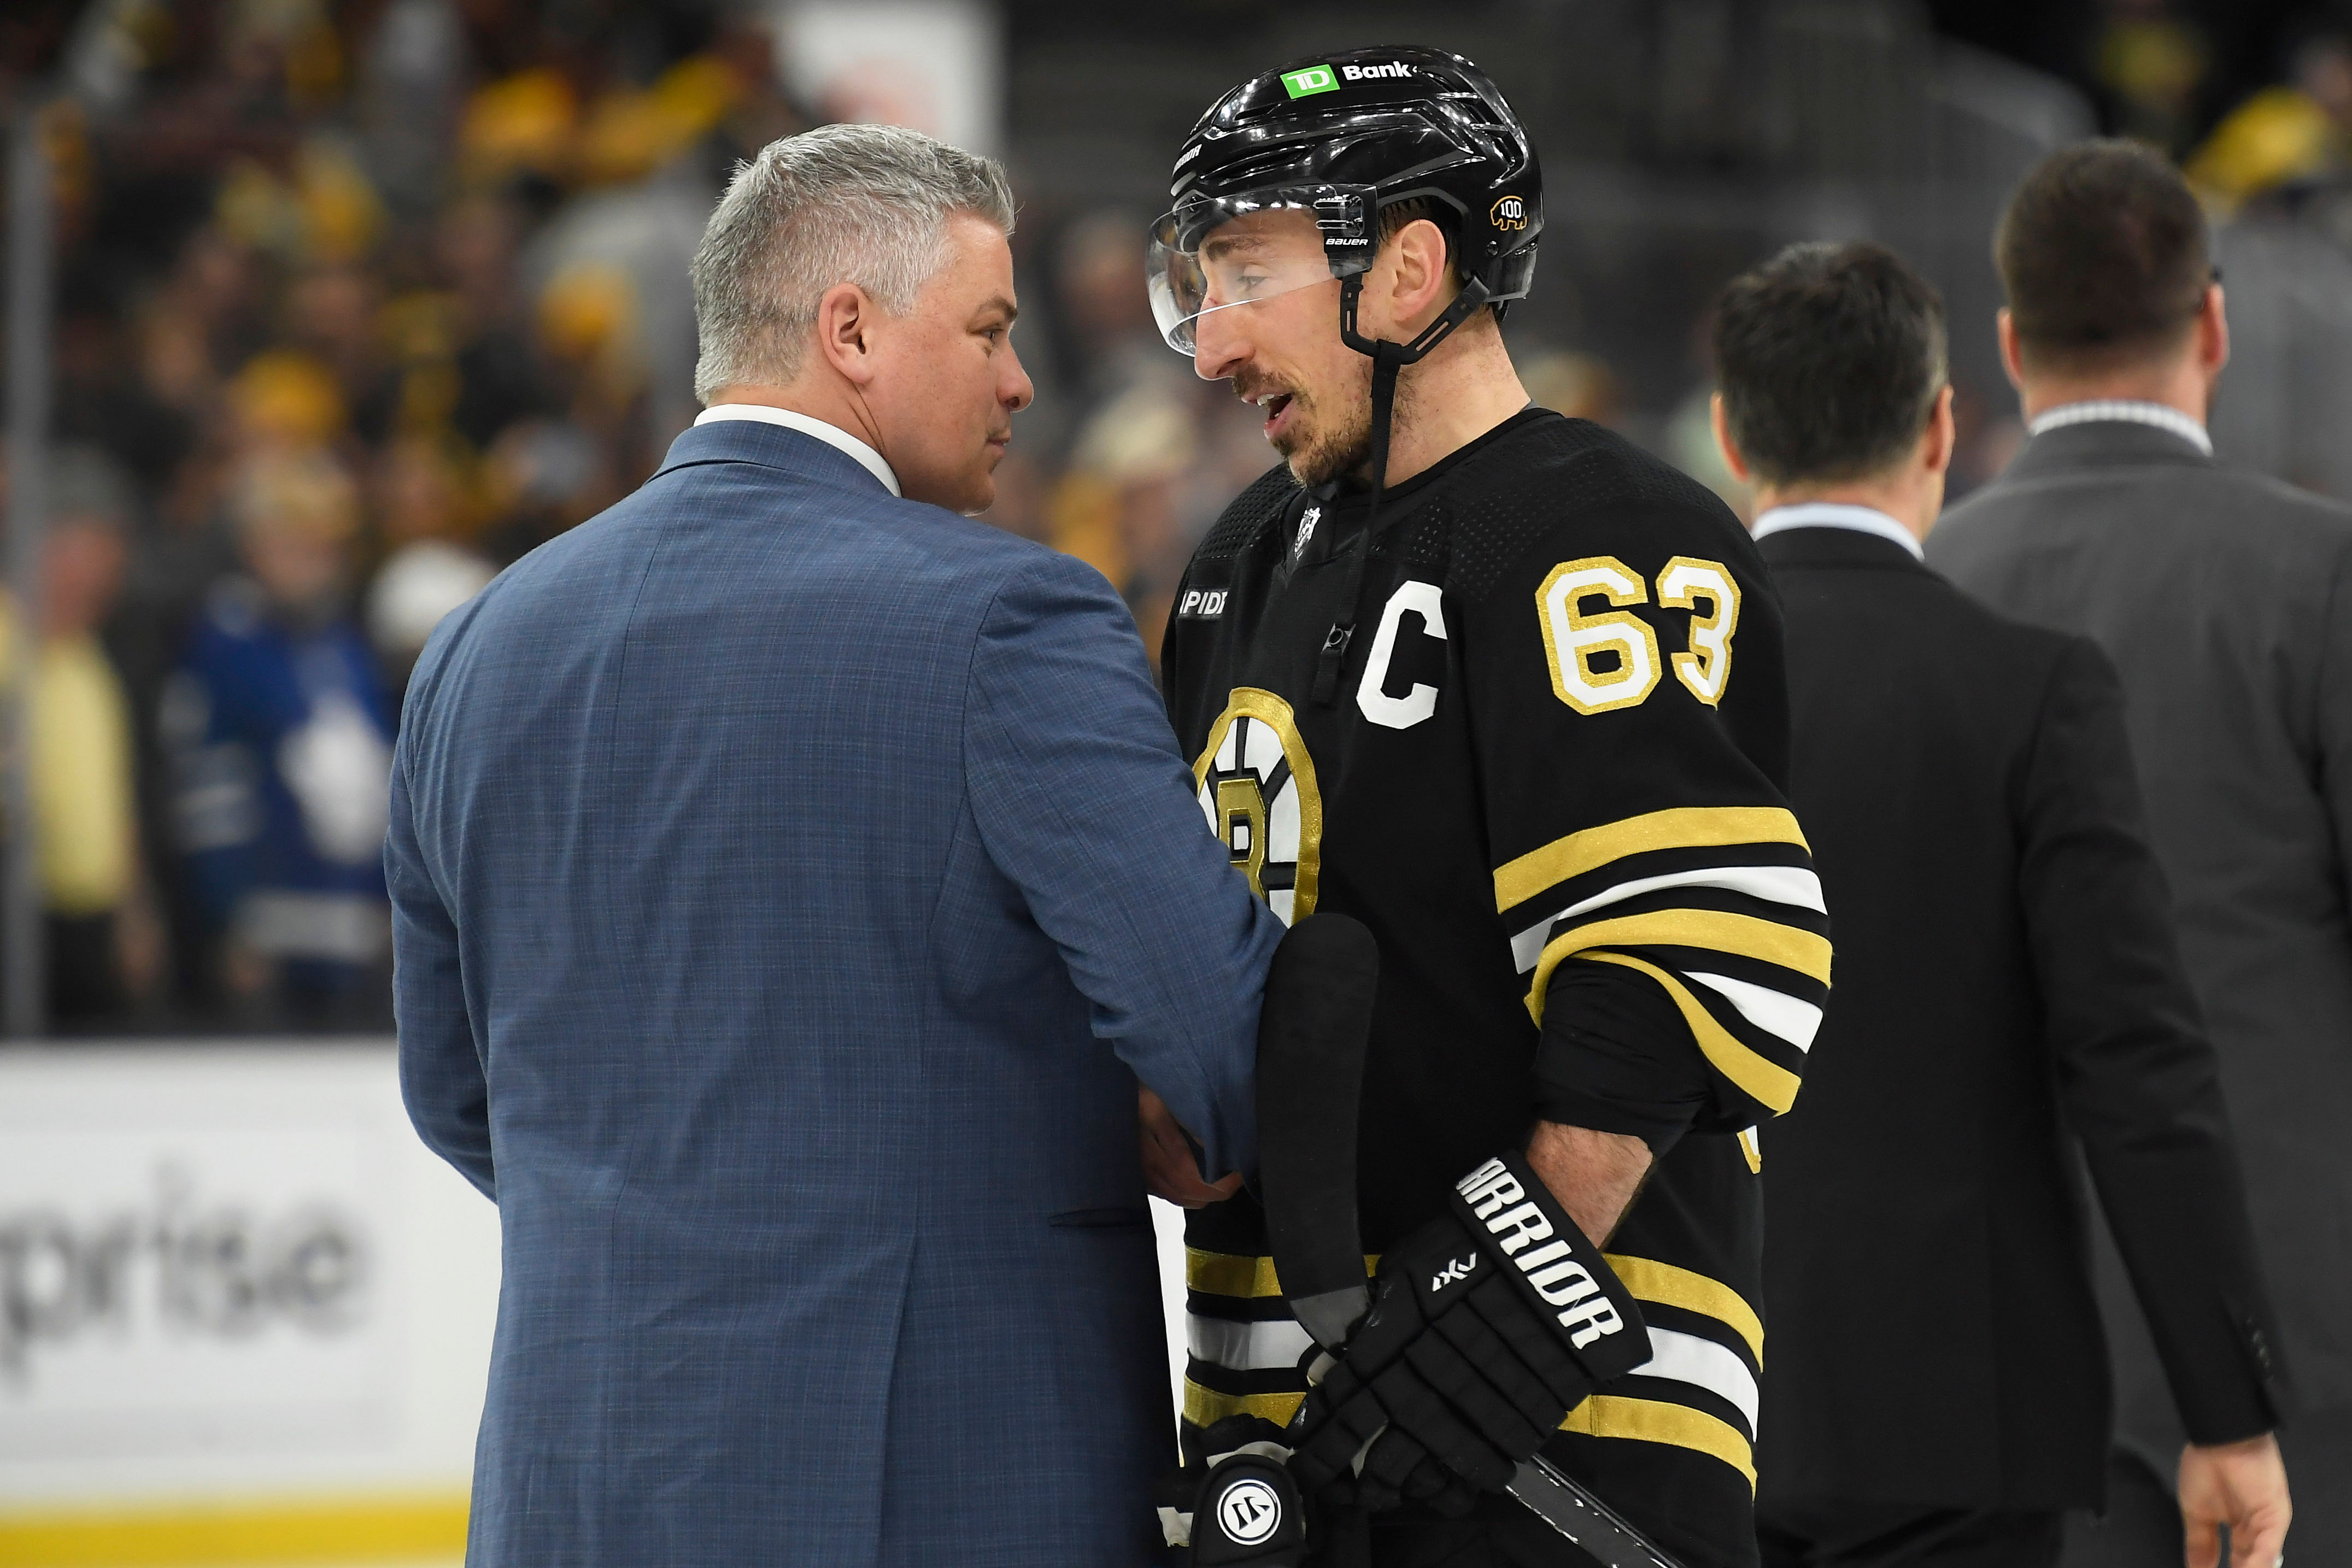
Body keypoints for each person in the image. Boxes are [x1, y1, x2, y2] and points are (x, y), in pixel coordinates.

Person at [389, 125, 1285, 1567]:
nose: (1019, 378)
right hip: (935, 1490)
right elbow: (1224, 1046)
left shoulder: (478, 649)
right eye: (990, 329)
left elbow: (458, 1095)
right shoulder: (1009, 619)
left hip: (569, 1493)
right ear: (848, 329)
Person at [1146, 48, 1826, 1568]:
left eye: (1245, 276)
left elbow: (1692, 947)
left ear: (1406, 270)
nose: (1207, 345)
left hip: (1565, 1414)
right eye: (1195, 285)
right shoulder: (1239, 559)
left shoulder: (1607, 534)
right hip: (1279, 1405)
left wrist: (1497, 1290)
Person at [1709, 239, 2292, 1568]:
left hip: (1664, 1386)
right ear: (1939, 421)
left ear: (1734, 434)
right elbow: (2137, 1066)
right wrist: (2224, 1406)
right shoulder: (2025, 689)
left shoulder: (1627, 698)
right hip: (1950, 1414)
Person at [1930, 140, 2352, 1564]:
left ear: (2006, 340)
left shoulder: (1923, 590)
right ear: (2212, 322)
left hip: (1988, 1336)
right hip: (2292, 1336)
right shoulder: (2317, 575)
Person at [165, 445, 395, 1027]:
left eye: (324, 543)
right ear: (255, 544)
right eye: (295, 541)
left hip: (356, 932)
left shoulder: (344, 642)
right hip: (269, 937)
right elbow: (209, 789)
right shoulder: (227, 644)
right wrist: (229, 917)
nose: (314, 558)